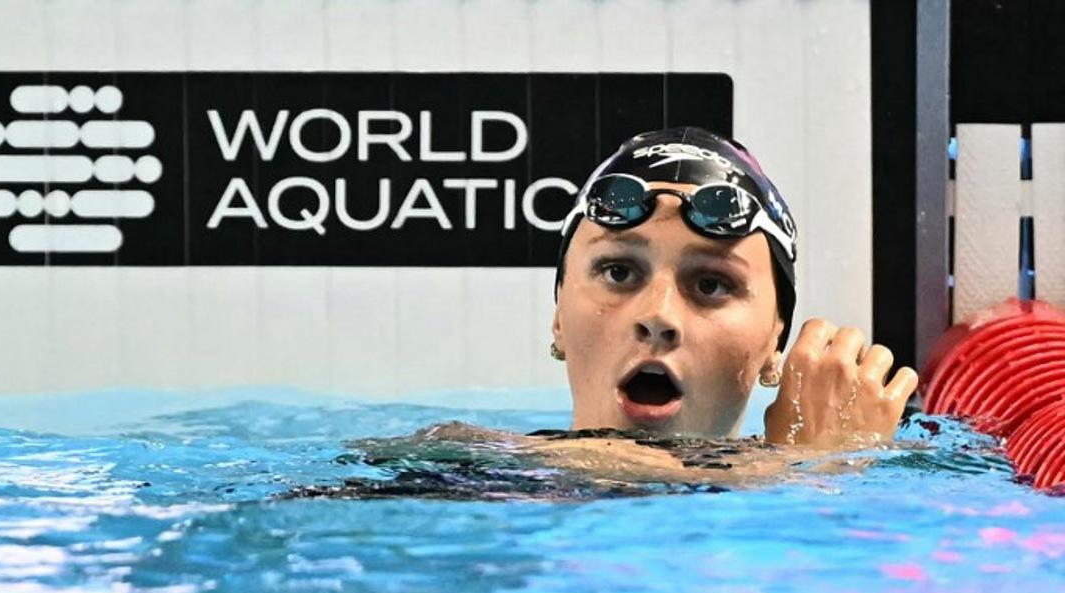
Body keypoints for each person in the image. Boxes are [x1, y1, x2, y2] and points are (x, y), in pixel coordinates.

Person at [319, 127, 921, 497]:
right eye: (618, 272)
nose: (658, 315)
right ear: (558, 316)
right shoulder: (450, 469)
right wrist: (812, 467)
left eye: (711, 283)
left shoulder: (908, 479)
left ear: (774, 343)